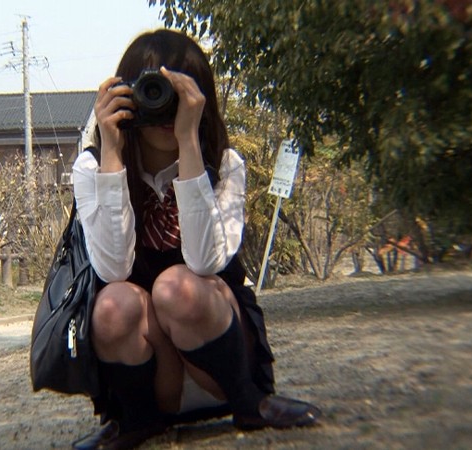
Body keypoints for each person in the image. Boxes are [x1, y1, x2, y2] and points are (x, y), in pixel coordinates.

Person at [71, 29, 321, 450]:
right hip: (152, 377)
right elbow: (113, 268)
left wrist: (188, 141)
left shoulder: (225, 164)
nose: (162, 106)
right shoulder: (92, 168)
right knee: (112, 303)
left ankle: (250, 402)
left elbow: (205, 263)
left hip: (219, 366)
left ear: (200, 97)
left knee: (177, 287)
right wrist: (111, 151)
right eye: (151, 89)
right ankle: (138, 420)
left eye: (176, 92)